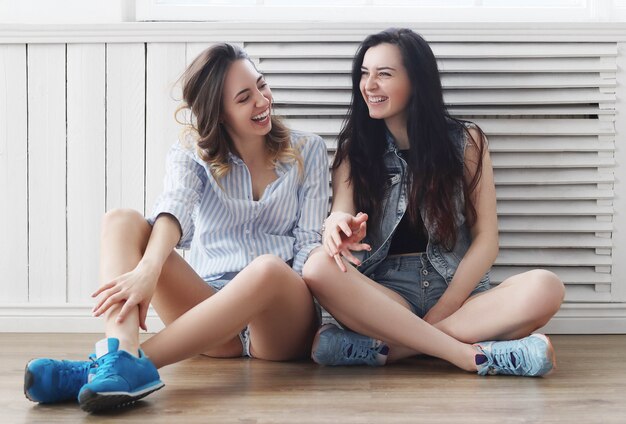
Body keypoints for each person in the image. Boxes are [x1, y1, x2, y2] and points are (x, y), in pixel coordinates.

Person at [24, 43, 328, 412]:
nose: (262, 101)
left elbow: (310, 244)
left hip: (280, 319)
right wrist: (148, 271)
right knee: (121, 220)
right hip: (210, 311)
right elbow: (173, 209)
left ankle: (106, 368)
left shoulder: (307, 149)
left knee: (265, 268)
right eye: (245, 98)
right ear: (218, 114)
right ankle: (117, 356)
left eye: (262, 87)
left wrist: (291, 307)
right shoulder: (191, 152)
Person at [302, 28, 565, 376]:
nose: (369, 85)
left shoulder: (466, 140)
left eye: (384, 74)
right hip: (386, 295)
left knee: (546, 287)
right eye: (364, 74)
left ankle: (389, 352)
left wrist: (445, 308)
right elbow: (342, 208)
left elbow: (487, 240)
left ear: (416, 81)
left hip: (459, 292)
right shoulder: (356, 147)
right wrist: (334, 224)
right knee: (318, 265)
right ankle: (472, 356)